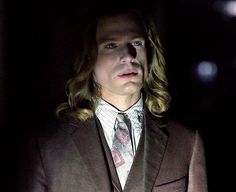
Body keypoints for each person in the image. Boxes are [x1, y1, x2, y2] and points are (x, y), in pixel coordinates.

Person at [18, 3, 208, 192]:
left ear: (150, 54)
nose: (127, 56)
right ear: (87, 58)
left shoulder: (186, 142)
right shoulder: (47, 145)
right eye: (111, 45)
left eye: (136, 43)